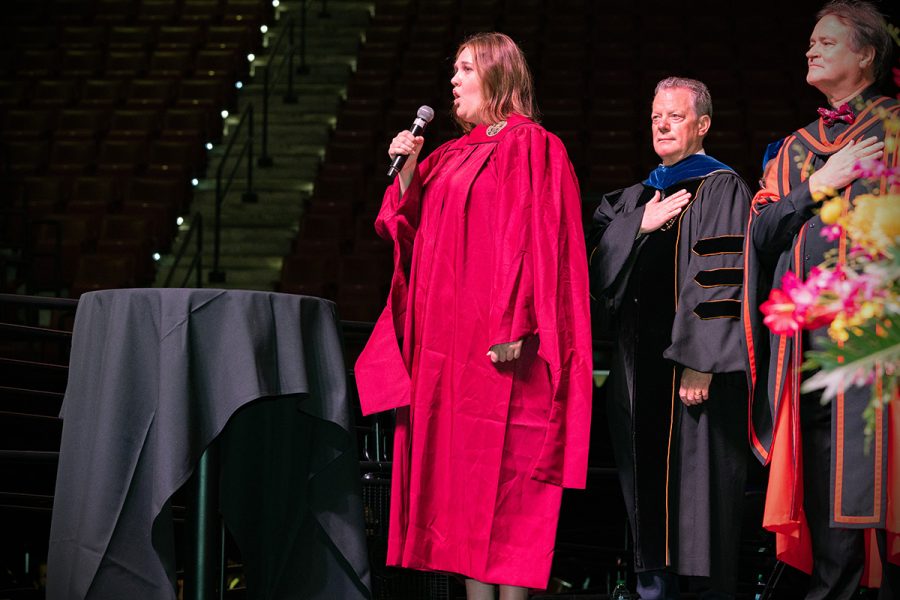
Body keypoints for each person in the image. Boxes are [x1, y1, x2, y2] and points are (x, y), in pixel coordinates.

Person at [354, 32, 593, 599]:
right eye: (454, 70)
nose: (454, 80)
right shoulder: (448, 154)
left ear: (497, 75)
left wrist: (516, 324)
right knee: (462, 502)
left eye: (466, 69)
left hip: (505, 356)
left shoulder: (533, 145)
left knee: (509, 499)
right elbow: (410, 232)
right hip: (453, 359)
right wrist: (409, 171)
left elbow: (537, 239)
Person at [743, 1, 899, 597]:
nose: (811, 49)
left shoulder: (893, 130)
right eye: (810, 40)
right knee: (822, 487)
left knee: (873, 482)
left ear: (866, 55)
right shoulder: (793, 150)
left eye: (828, 42)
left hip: (875, 349)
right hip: (805, 351)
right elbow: (760, 235)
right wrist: (819, 184)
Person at [587, 76, 751, 599]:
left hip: (692, 377)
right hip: (636, 380)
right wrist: (639, 225)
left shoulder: (720, 187)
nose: (661, 124)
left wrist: (701, 360)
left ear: (702, 125)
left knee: (696, 507)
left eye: (675, 117)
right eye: (656, 115)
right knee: (647, 512)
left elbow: (724, 273)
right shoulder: (639, 195)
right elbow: (594, 270)